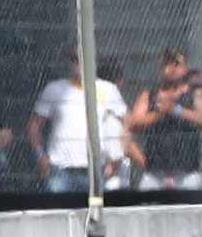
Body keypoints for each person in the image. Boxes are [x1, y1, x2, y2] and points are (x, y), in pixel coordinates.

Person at [27, 46, 135, 193]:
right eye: (75, 59)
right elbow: (34, 125)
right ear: (68, 61)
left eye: (85, 58)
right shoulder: (54, 89)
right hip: (60, 170)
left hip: (97, 170)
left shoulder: (108, 89)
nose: (80, 63)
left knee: (97, 213)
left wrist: (117, 156)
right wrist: (40, 155)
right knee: (60, 214)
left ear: (94, 60)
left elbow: (127, 121)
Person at [127, 48, 202, 189]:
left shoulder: (195, 92)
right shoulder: (150, 95)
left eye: (176, 64)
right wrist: (158, 114)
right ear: (161, 68)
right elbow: (133, 123)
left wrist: (175, 109)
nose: (172, 68)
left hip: (187, 171)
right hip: (155, 172)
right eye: (167, 64)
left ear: (184, 67)